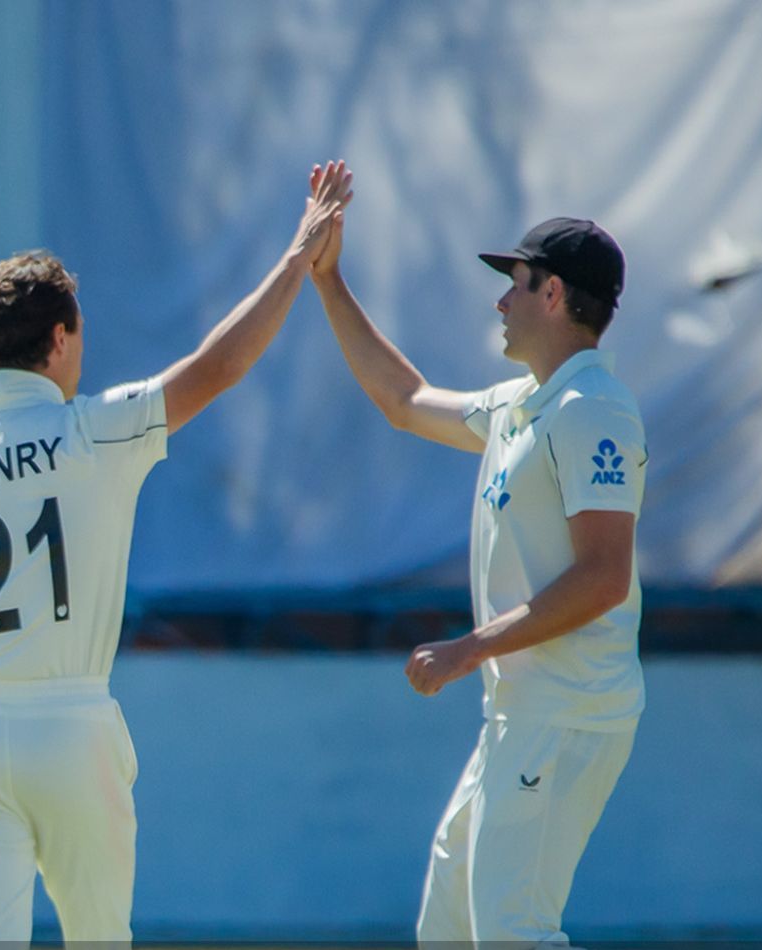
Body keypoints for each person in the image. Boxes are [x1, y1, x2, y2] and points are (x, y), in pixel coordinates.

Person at [0, 162, 353, 946]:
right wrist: (297, 255)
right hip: (70, 728)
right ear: (59, 337)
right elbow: (218, 367)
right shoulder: (96, 432)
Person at [308, 170, 645, 946]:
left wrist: (471, 648)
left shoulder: (592, 409)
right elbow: (401, 399)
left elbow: (602, 577)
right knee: (450, 928)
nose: (500, 301)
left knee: (511, 932)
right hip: (519, 716)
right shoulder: (519, 403)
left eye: (516, 284)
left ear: (554, 295)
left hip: (566, 713)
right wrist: (329, 283)